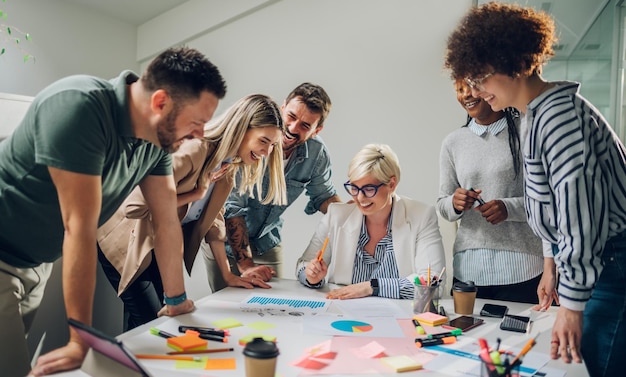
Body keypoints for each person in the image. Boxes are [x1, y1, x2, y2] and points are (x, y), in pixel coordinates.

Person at [0, 46, 227, 377]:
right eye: (197, 122)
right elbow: (79, 227)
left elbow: (165, 223)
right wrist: (80, 339)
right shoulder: (79, 106)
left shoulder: (156, 142)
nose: (201, 134)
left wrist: (176, 298)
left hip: (35, 263)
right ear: (161, 102)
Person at [445, 1, 626, 377]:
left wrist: (572, 307)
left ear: (513, 64)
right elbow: (549, 206)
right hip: (596, 263)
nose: (475, 90)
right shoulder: (534, 117)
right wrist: (553, 264)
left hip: (612, 265)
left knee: (599, 364)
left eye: (480, 77)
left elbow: (580, 219)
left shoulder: (558, 120)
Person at [97, 94, 287, 330]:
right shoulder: (195, 149)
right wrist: (196, 194)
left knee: (145, 327)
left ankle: (129, 366)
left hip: (158, 246)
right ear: (242, 128)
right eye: (264, 141)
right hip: (127, 239)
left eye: (273, 145)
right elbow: (136, 205)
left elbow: (214, 221)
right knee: (151, 325)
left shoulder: (228, 165)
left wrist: (228, 275)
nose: (267, 152)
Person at [202, 82, 341, 292]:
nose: (293, 129)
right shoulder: (249, 143)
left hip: (267, 240)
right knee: (230, 304)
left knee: (271, 304)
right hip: (226, 243)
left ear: (316, 130)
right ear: (282, 108)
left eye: (305, 125)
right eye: (291, 117)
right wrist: (246, 266)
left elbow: (324, 196)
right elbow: (233, 208)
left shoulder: (316, 153)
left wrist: (355, 215)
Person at [437, 79, 543, 303]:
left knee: (518, 337)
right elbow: (442, 204)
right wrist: (455, 203)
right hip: (469, 268)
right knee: (466, 336)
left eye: (472, 86)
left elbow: (549, 199)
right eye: (459, 89)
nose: (466, 94)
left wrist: (509, 208)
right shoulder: (453, 142)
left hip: (523, 265)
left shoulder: (527, 131)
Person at [295, 143, 445, 300]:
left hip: (398, 317)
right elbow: (304, 264)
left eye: (368, 189)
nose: (360, 198)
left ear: (392, 184)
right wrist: (311, 276)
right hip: (343, 315)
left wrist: (371, 287)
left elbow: (434, 283)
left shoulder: (422, 216)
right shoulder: (337, 215)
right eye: (354, 188)